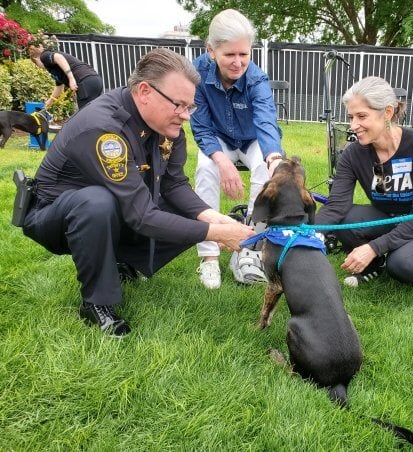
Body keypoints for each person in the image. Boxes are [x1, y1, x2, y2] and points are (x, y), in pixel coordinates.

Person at [21, 48, 255, 337]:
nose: (185, 116)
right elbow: (143, 216)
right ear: (145, 91)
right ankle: (97, 304)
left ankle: (123, 262)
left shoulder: (166, 125)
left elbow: (174, 185)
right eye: (179, 105)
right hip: (53, 215)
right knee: (98, 203)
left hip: (112, 209)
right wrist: (214, 234)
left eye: (189, 107)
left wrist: (215, 218)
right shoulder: (104, 130)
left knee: (185, 212)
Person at [315, 76, 413, 303]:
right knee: (345, 220)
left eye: (362, 116)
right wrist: (311, 232)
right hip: (386, 216)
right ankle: (374, 264)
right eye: (351, 117)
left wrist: (373, 247)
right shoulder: (353, 154)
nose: (353, 125)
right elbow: (337, 204)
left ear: (387, 113)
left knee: (402, 264)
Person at [190, 9, 284, 289]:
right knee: (205, 169)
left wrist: (275, 158)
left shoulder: (257, 79)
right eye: (230, 55)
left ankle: (248, 250)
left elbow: (266, 121)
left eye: (244, 54)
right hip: (217, 138)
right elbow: (200, 126)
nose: (238, 62)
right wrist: (222, 162)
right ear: (211, 50)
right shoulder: (196, 74)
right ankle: (208, 258)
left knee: (264, 170)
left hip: (252, 138)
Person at [28, 37, 103, 110]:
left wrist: (71, 78)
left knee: (85, 114)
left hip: (84, 81)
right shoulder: (54, 68)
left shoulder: (44, 56)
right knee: (94, 113)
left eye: (36, 65)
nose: (39, 68)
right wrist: (50, 101)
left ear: (35, 59)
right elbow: (59, 87)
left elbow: (59, 57)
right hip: (94, 80)